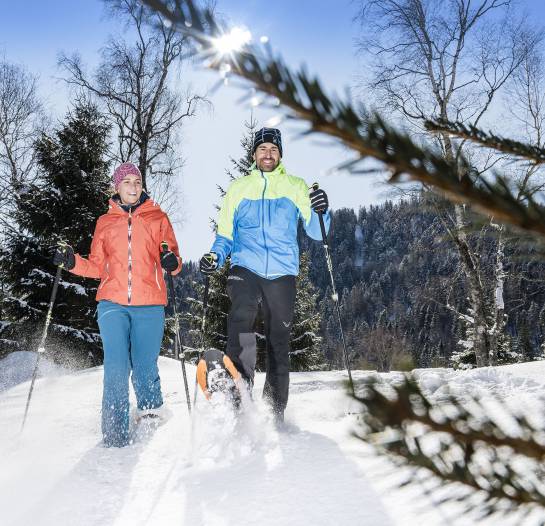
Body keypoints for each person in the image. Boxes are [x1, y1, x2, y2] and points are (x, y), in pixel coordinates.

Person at [199, 127, 330, 424]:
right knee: (241, 319)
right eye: (262, 149)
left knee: (278, 340)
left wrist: (322, 209)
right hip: (246, 266)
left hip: (283, 271)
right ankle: (240, 394)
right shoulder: (238, 188)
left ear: (280, 154)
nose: (267, 154)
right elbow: (225, 236)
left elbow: (316, 231)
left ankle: (275, 411)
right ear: (254, 154)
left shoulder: (296, 186)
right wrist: (215, 256)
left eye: (273, 149)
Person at [53, 162, 182, 447]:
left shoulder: (158, 217)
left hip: (149, 304)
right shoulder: (105, 222)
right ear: (117, 187)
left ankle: (150, 419)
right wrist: (72, 262)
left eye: (137, 182)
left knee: (145, 366)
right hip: (112, 303)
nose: (133, 187)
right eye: (127, 183)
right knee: (116, 366)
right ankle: (114, 433)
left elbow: (173, 261)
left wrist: (171, 261)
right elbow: (97, 267)